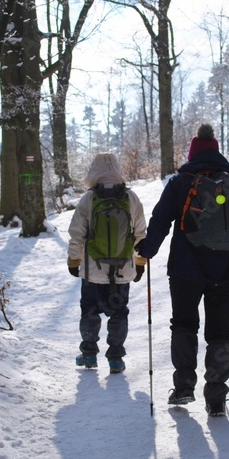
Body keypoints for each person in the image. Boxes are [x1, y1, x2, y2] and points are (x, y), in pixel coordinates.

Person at [136, 124, 229, 416]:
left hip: (186, 271)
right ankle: (216, 395)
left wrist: (147, 250)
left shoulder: (179, 183)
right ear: (216, 151)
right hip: (226, 271)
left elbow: (161, 220)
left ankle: (184, 387)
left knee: (185, 325)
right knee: (220, 332)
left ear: (191, 153)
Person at [67, 153, 147, 374]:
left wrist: (74, 260)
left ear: (93, 172)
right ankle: (116, 359)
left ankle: (89, 355)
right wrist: (140, 262)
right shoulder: (131, 198)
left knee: (90, 311)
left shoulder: (89, 198)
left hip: (93, 271)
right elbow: (140, 234)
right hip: (122, 269)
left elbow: (76, 234)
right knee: (119, 312)